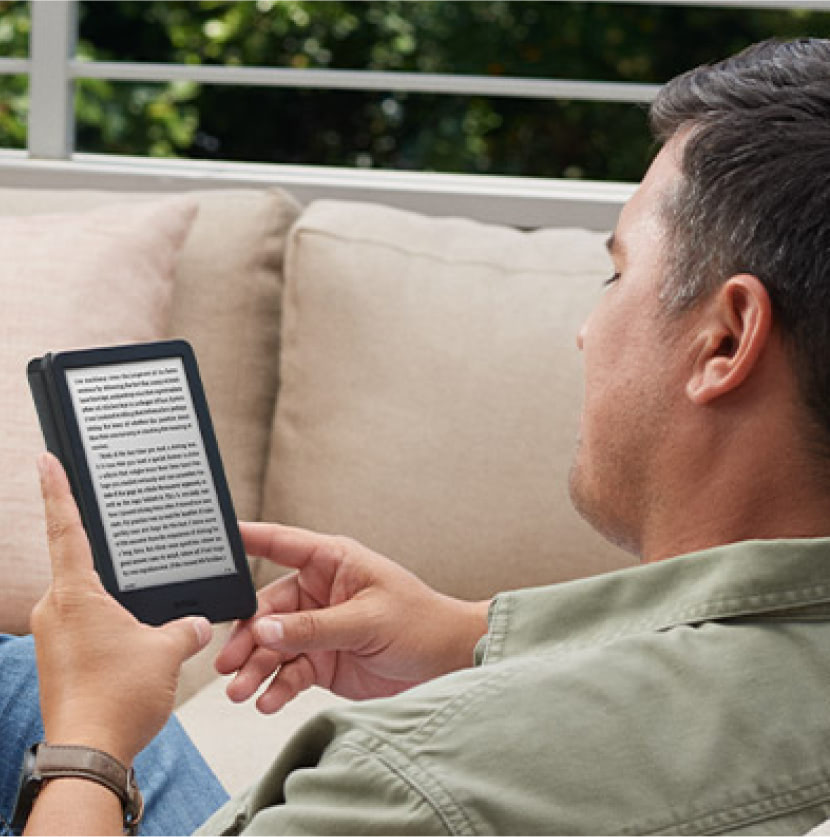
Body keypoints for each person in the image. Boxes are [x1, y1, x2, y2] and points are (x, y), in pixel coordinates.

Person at [4, 35, 830, 835]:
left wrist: (90, 740)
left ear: (725, 340)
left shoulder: (417, 782)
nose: (586, 330)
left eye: (618, 272)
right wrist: (465, 639)